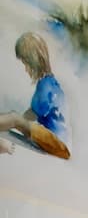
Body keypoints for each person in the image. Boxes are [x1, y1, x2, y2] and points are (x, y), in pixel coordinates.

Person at [0, 30, 70, 159]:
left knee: (14, 117)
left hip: (57, 144)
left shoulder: (46, 85)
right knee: (14, 119)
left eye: (26, 63)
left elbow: (29, 116)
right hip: (56, 142)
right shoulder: (50, 82)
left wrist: (13, 122)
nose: (26, 69)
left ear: (33, 61)